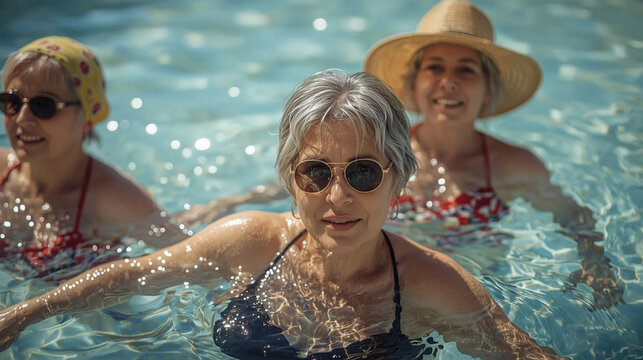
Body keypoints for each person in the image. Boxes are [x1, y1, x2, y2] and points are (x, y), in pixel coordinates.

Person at [0, 71, 565, 359]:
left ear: (397, 177)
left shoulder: (433, 285)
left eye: (362, 173)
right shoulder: (249, 241)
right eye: (316, 173)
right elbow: (132, 275)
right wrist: (22, 315)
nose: (337, 196)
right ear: (289, 178)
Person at [363, 0, 621, 309]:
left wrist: (596, 263)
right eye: (434, 67)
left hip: (467, 300)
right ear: (414, 83)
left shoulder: (513, 165)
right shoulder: (380, 149)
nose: (448, 81)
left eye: (466, 69)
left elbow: (571, 213)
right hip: (381, 290)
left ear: (487, 90)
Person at [0, 36, 187, 279]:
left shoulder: (112, 197)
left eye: (44, 105)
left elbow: (189, 258)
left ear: (87, 119)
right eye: (11, 102)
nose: (23, 119)